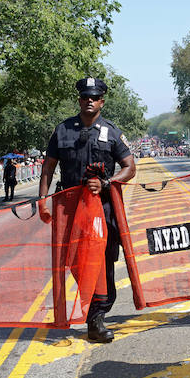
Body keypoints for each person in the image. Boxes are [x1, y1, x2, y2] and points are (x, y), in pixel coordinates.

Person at [38, 77, 137, 342]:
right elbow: (48, 167)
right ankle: (95, 312)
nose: (89, 101)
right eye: (85, 97)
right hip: (69, 211)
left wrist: (107, 183)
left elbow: (129, 167)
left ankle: (96, 319)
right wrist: (42, 200)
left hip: (102, 211)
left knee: (103, 262)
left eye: (94, 97)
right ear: (79, 100)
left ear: (102, 101)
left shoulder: (112, 132)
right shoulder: (63, 130)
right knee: (75, 262)